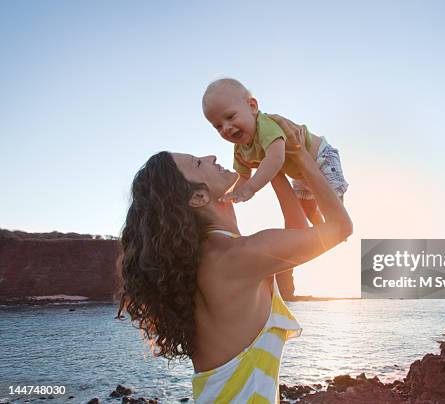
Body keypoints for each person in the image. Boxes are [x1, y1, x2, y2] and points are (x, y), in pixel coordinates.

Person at [116, 115, 352, 403]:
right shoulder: (236, 257)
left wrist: (272, 165)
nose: (211, 155)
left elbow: (297, 236)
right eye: (198, 163)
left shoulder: (215, 256)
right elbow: (340, 228)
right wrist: (299, 155)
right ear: (199, 198)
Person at [202, 78, 349, 225]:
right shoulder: (240, 148)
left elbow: (276, 158)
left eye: (230, 116)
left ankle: (337, 224)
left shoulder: (266, 125)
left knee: (331, 202)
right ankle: (322, 231)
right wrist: (231, 195)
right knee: (307, 208)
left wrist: (250, 189)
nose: (226, 128)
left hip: (322, 159)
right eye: (218, 126)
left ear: (252, 106)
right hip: (300, 175)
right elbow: (243, 176)